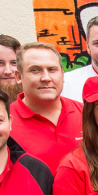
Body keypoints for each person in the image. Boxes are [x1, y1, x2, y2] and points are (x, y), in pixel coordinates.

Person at [11, 43, 83, 171]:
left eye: (52, 70)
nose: (46, 78)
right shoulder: (4, 122)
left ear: (62, 74)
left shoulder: (85, 113)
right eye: (35, 70)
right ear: (18, 76)